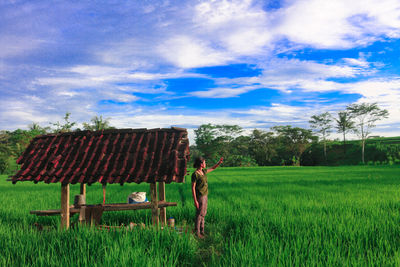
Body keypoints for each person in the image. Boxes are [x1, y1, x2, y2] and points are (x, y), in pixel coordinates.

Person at [191, 156, 223, 238]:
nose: (205, 164)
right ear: (201, 164)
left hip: (205, 195)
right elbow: (193, 188)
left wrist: (218, 163)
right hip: (200, 196)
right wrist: (195, 201)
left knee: (203, 214)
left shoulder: (203, 172)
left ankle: (202, 231)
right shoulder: (195, 174)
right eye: (204, 162)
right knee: (199, 215)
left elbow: (212, 168)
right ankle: (197, 233)